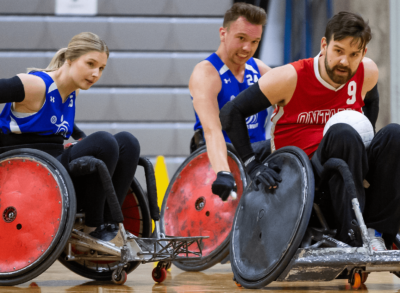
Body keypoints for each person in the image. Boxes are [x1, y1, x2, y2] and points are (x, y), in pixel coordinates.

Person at [219, 11, 400, 251]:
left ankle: (381, 233)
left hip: (349, 169)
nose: (345, 61)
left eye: (354, 54)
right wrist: (253, 165)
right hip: (304, 179)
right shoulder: (289, 77)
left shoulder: (367, 72)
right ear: (324, 45)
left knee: (395, 135)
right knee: (343, 133)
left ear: (363, 53)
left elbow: (372, 101)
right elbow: (231, 112)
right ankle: (350, 235)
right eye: (339, 51)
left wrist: (367, 138)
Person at [0, 32, 140, 242]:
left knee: (127, 142)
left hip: (53, 166)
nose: (96, 74)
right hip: (25, 170)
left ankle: (111, 225)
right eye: (90, 64)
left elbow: (56, 119)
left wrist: (81, 136)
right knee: (104, 141)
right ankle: (93, 227)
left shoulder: (70, 92)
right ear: (70, 59)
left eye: (101, 68)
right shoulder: (35, 85)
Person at [189, 2, 271, 201]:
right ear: (223, 33)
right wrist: (223, 172)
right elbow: (212, 130)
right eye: (241, 38)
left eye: (254, 41)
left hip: (258, 158)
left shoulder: (259, 69)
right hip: (224, 158)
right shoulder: (206, 73)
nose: (247, 48)